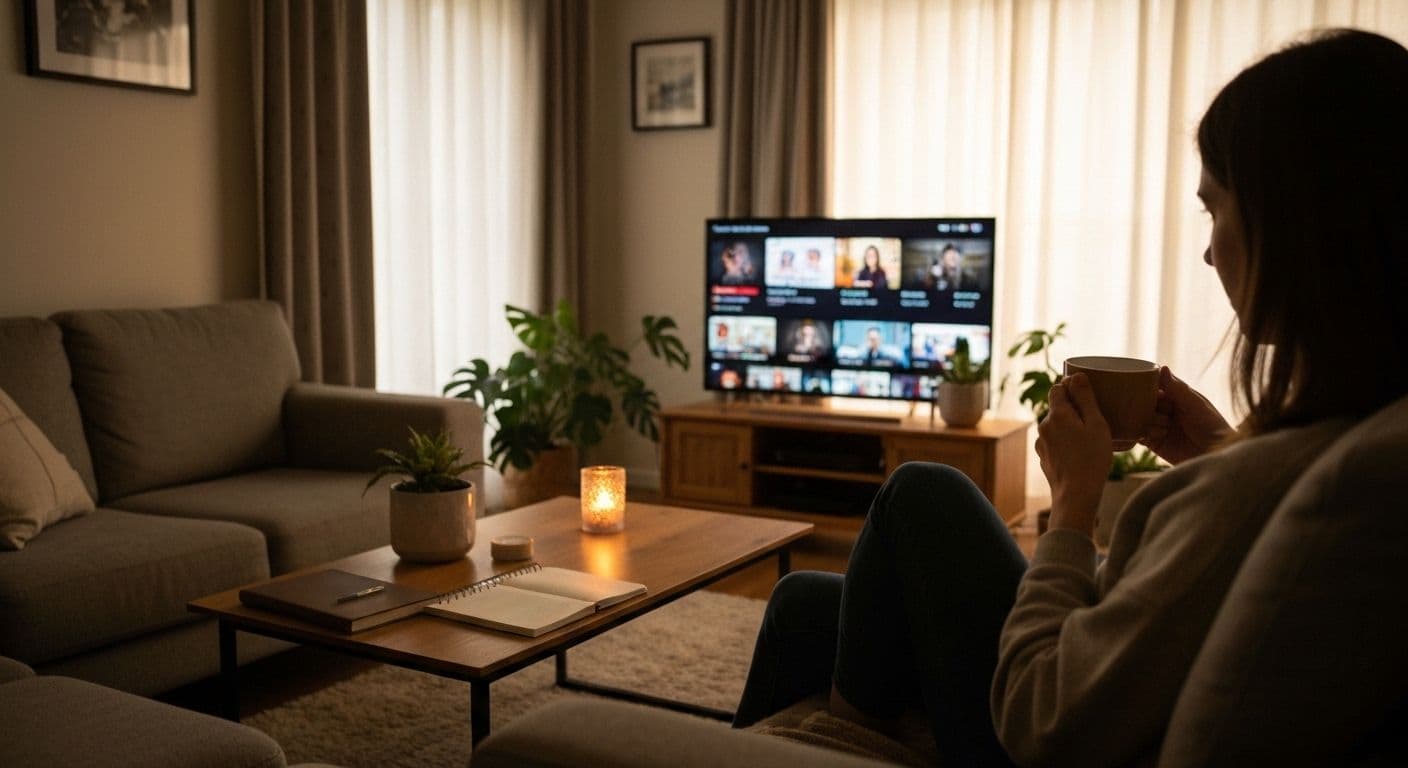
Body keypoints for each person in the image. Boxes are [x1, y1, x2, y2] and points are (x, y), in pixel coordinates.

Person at [732, 28, 1408, 767]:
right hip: (1114, 680)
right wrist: (1215, 451)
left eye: (1215, 212)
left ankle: (838, 745)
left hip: (1027, 733)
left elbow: (1042, 717)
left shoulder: (1282, 491)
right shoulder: (1366, 432)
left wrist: (1074, 505)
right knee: (804, 605)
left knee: (920, 492)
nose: (1209, 250)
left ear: (1296, 229)